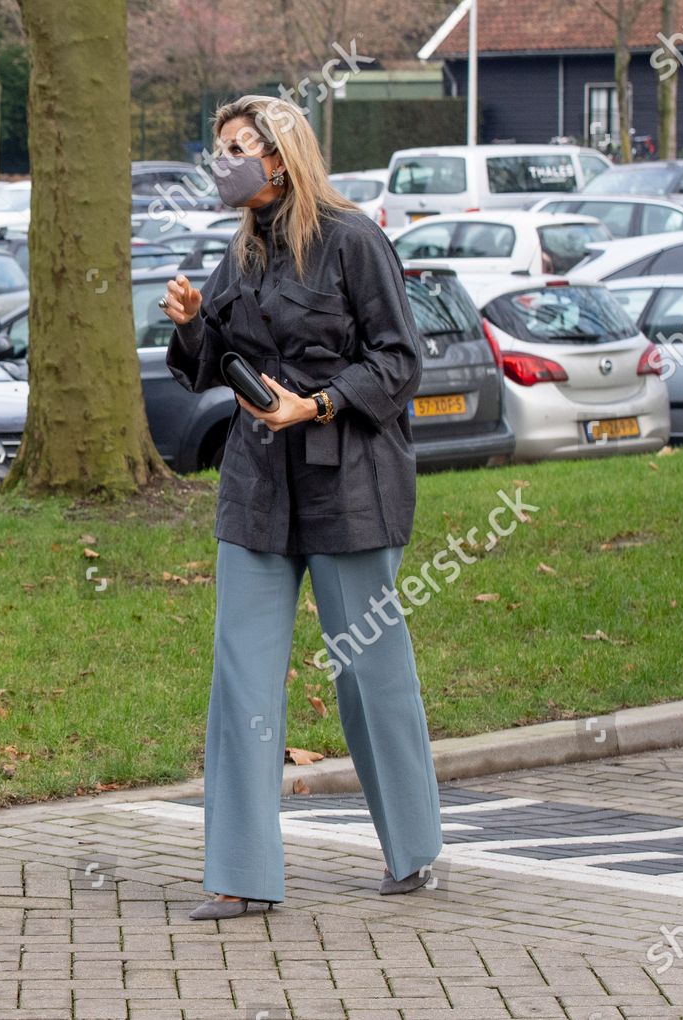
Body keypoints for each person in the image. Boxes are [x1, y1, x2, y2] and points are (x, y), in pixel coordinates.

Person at [159, 94, 443, 921]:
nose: (226, 162)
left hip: (349, 481)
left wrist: (314, 405)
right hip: (256, 489)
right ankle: (241, 874)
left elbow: (398, 363)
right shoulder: (242, 249)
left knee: (370, 672)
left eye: (240, 146)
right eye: (220, 149)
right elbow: (208, 361)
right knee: (241, 679)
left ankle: (415, 851)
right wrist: (186, 325)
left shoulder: (353, 239)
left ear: (281, 156)